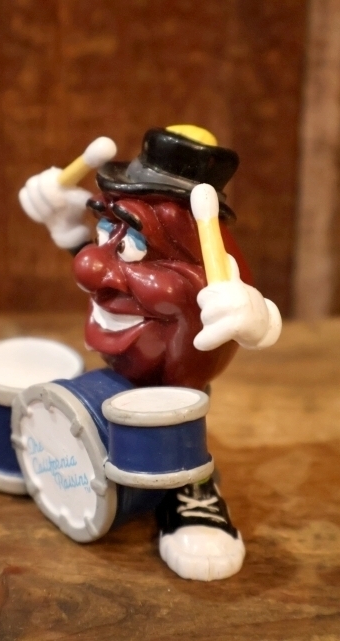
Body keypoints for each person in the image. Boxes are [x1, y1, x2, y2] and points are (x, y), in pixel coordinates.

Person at [19, 125, 282, 581]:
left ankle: (190, 488)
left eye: (132, 245)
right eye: (105, 230)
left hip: (180, 391)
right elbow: (93, 260)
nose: (87, 268)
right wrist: (65, 225)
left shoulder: (211, 285)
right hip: (118, 382)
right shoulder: (106, 271)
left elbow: (254, 321)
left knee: (177, 421)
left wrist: (258, 317)